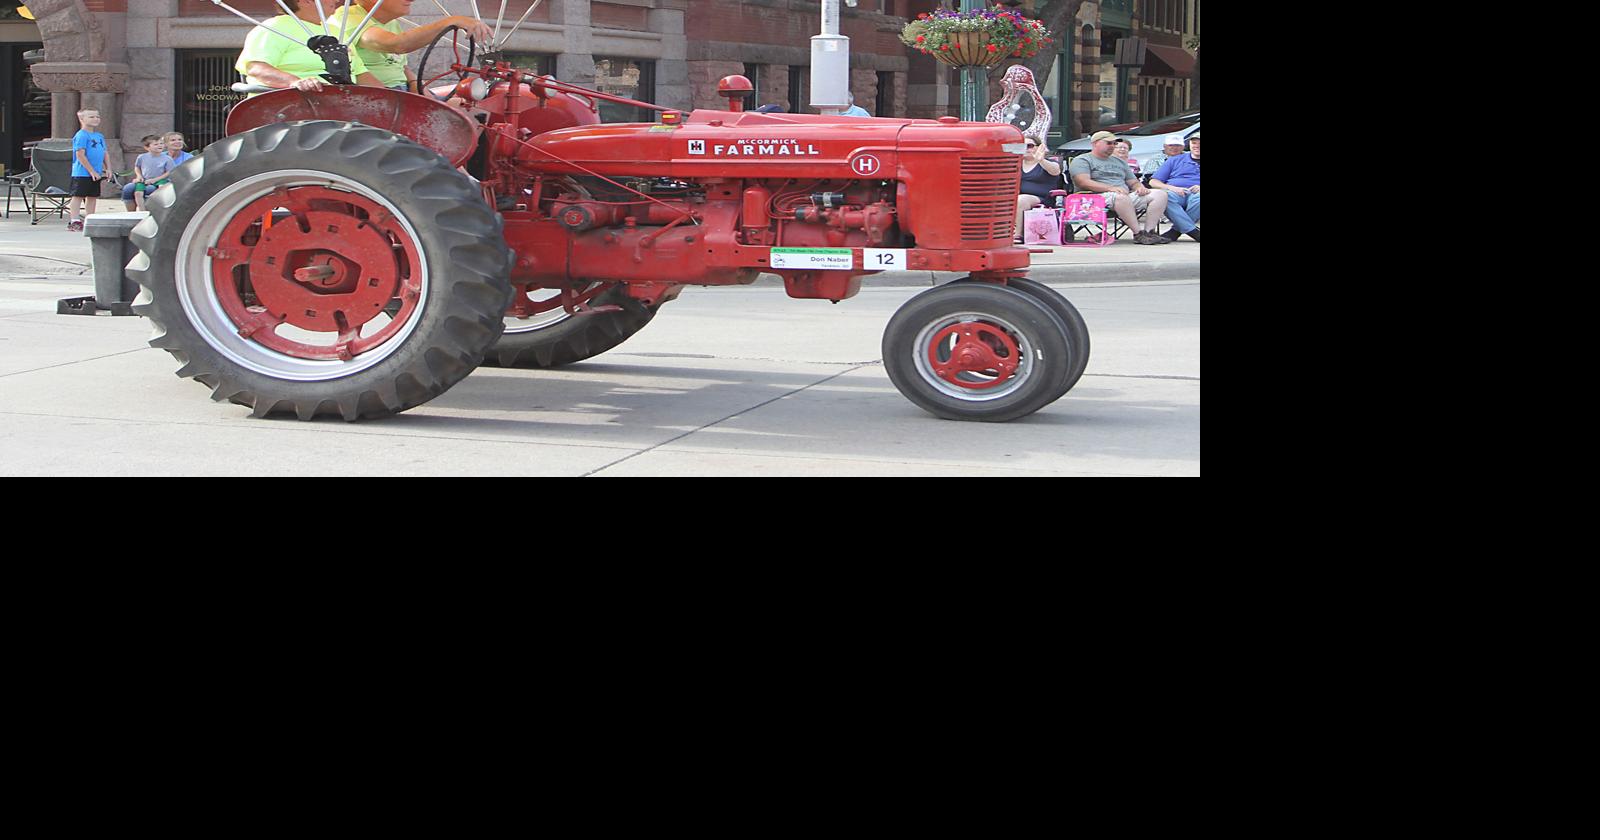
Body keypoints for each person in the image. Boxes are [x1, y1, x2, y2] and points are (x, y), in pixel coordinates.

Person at [329, 0, 492, 93]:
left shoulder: (391, 23)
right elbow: (397, 44)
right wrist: (451, 20)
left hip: (403, 90)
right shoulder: (347, 18)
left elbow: (402, 66)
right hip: (376, 95)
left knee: (472, 111)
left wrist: (417, 88)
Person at [235, 0, 384, 94]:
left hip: (339, 105)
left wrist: (394, 98)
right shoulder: (274, 27)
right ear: (306, 1)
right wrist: (295, 82)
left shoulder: (337, 31)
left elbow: (361, 74)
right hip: (290, 104)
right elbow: (256, 68)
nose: (337, 1)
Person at [1067, 130, 1169, 245]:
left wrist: (1139, 187)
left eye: (1114, 143)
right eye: (1108, 143)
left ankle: (1149, 232)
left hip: (1123, 195)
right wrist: (1110, 188)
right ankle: (1138, 234)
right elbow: (1083, 182)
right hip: (1093, 198)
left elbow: (1133, 182)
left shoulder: (1119, 162)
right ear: (1095, 143)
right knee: (1120, 197)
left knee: (1160, 194)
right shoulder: (1082, 160)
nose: (1112, 146)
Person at [1151, 132, 1199, 242]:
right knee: (1164, 196)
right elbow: (1154, 181)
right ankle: (1193, 232)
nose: (1197, 146)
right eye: (1194, 143)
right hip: (1175, 192)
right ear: (1189, 145)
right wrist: (1171, 188)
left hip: (1197, 193)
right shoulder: (1175, 159)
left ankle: (1176, 231)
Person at [1014, 136, 1063, 242]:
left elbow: (1055, 171)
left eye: (1030, 146)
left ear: (1039, 147)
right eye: (1022, 146)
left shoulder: (1048, 163)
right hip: (1016, 196)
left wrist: (1041, 160)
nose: (1026, 148)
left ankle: (1018, 234)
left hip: (1042, 198)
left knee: (1021, 200)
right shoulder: (1015, 163)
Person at [67, 109, 106, 232]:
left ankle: (90, 219)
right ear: (82, 119)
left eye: (97, 116)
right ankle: (74, 221)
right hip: (82, 172)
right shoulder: (81, 135)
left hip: (97, 172)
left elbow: (105, 153)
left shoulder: (99, 136)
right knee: (78, 195)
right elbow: (80, 155)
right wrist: (91, 171)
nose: (95, 119)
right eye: (91, 117)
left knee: (92, 196)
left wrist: (108, 168)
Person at [122, 135, 176, 211]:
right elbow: (137, 167)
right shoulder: (142, 157)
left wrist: (156, 179)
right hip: (145, 180)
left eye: (161, 143)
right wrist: (139, 176)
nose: (159, 146)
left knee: (162, 189)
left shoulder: (167, 158)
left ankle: (163, 209)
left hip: (160, 179)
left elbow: (170, 171)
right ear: (147, 147)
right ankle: (142, 210)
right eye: (156, 144)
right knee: (138, 193)